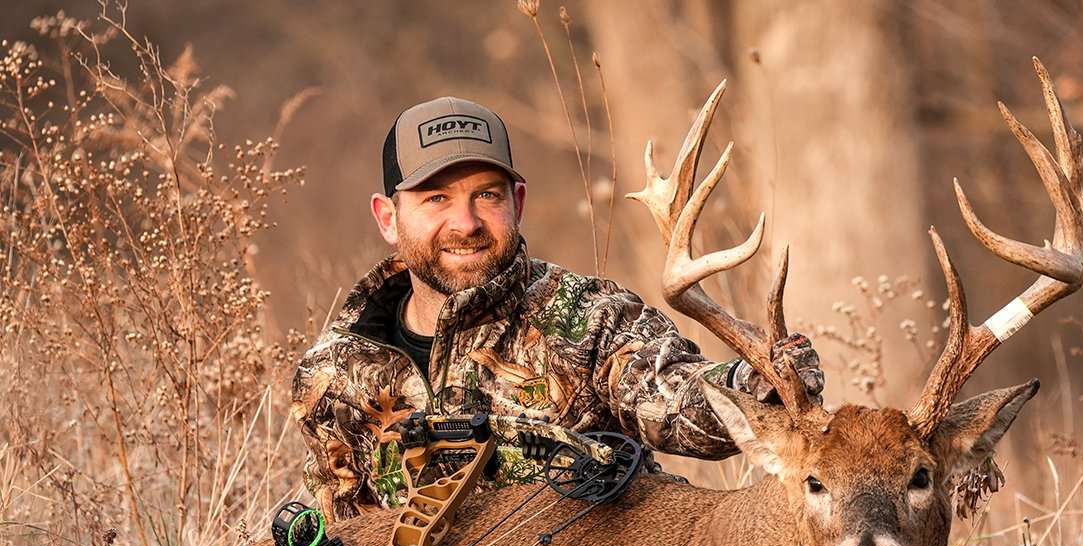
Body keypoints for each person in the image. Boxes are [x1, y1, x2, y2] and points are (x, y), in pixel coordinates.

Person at [291, 96, 824, 521]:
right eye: (437, 199)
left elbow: (680, 403)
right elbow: (342, 532)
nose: (467, 223)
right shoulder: (332, 372)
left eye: (487, 195)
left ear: (517, 203)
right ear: (388, 218)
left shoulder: (593, 318)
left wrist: (755, 382)